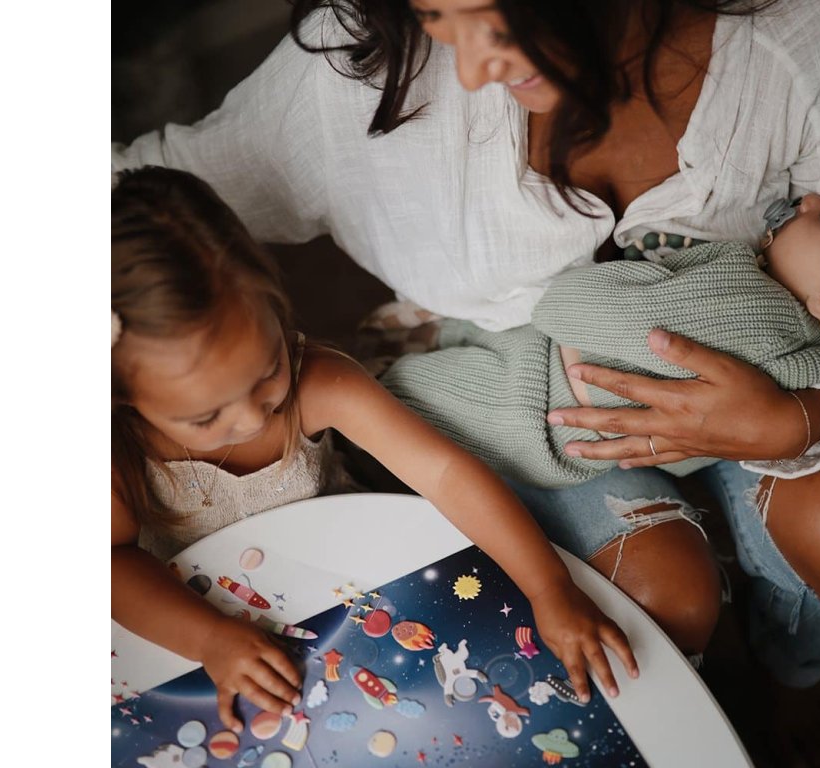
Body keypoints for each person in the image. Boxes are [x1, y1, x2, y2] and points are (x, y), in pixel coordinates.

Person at [112, 0, 820, 685]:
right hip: (510, 401)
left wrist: (801, 419)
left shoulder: (815, 43)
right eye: (437, 19)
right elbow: (141, 207)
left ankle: (785, 678)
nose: (472, 69)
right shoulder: (351, 65)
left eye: (497, 23)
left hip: (769, 384)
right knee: (661, 599)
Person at [111, 166, 638, 732]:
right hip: (190, 631)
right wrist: (209, 639)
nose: (251, 417)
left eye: (267, 371)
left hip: (350, 584)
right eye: (205, 416)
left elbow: (446, 474)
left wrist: (547, 585)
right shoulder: (113, 447)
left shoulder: (320, 383)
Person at [382, 182, 820, 488]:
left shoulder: (747, 295)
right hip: (570, 451)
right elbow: (693, 453)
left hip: (523, 392)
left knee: (389, 404)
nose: (811, 199)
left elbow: (562, 309)